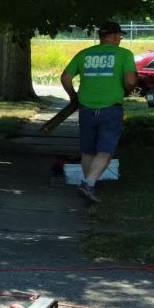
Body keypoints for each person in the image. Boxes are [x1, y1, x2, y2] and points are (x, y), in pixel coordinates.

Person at [61, 22, 137, 202]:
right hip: (110, 108)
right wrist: (127, 89)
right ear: (115, 36)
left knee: (87, 150)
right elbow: (131, 81)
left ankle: (88, 184)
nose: (120, 39)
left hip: (86, 108)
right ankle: (88, 184)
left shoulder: (84, 54)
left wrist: (73, 96)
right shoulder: (124, 54)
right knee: (105, 150)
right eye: (120, 36)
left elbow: (65, 77)